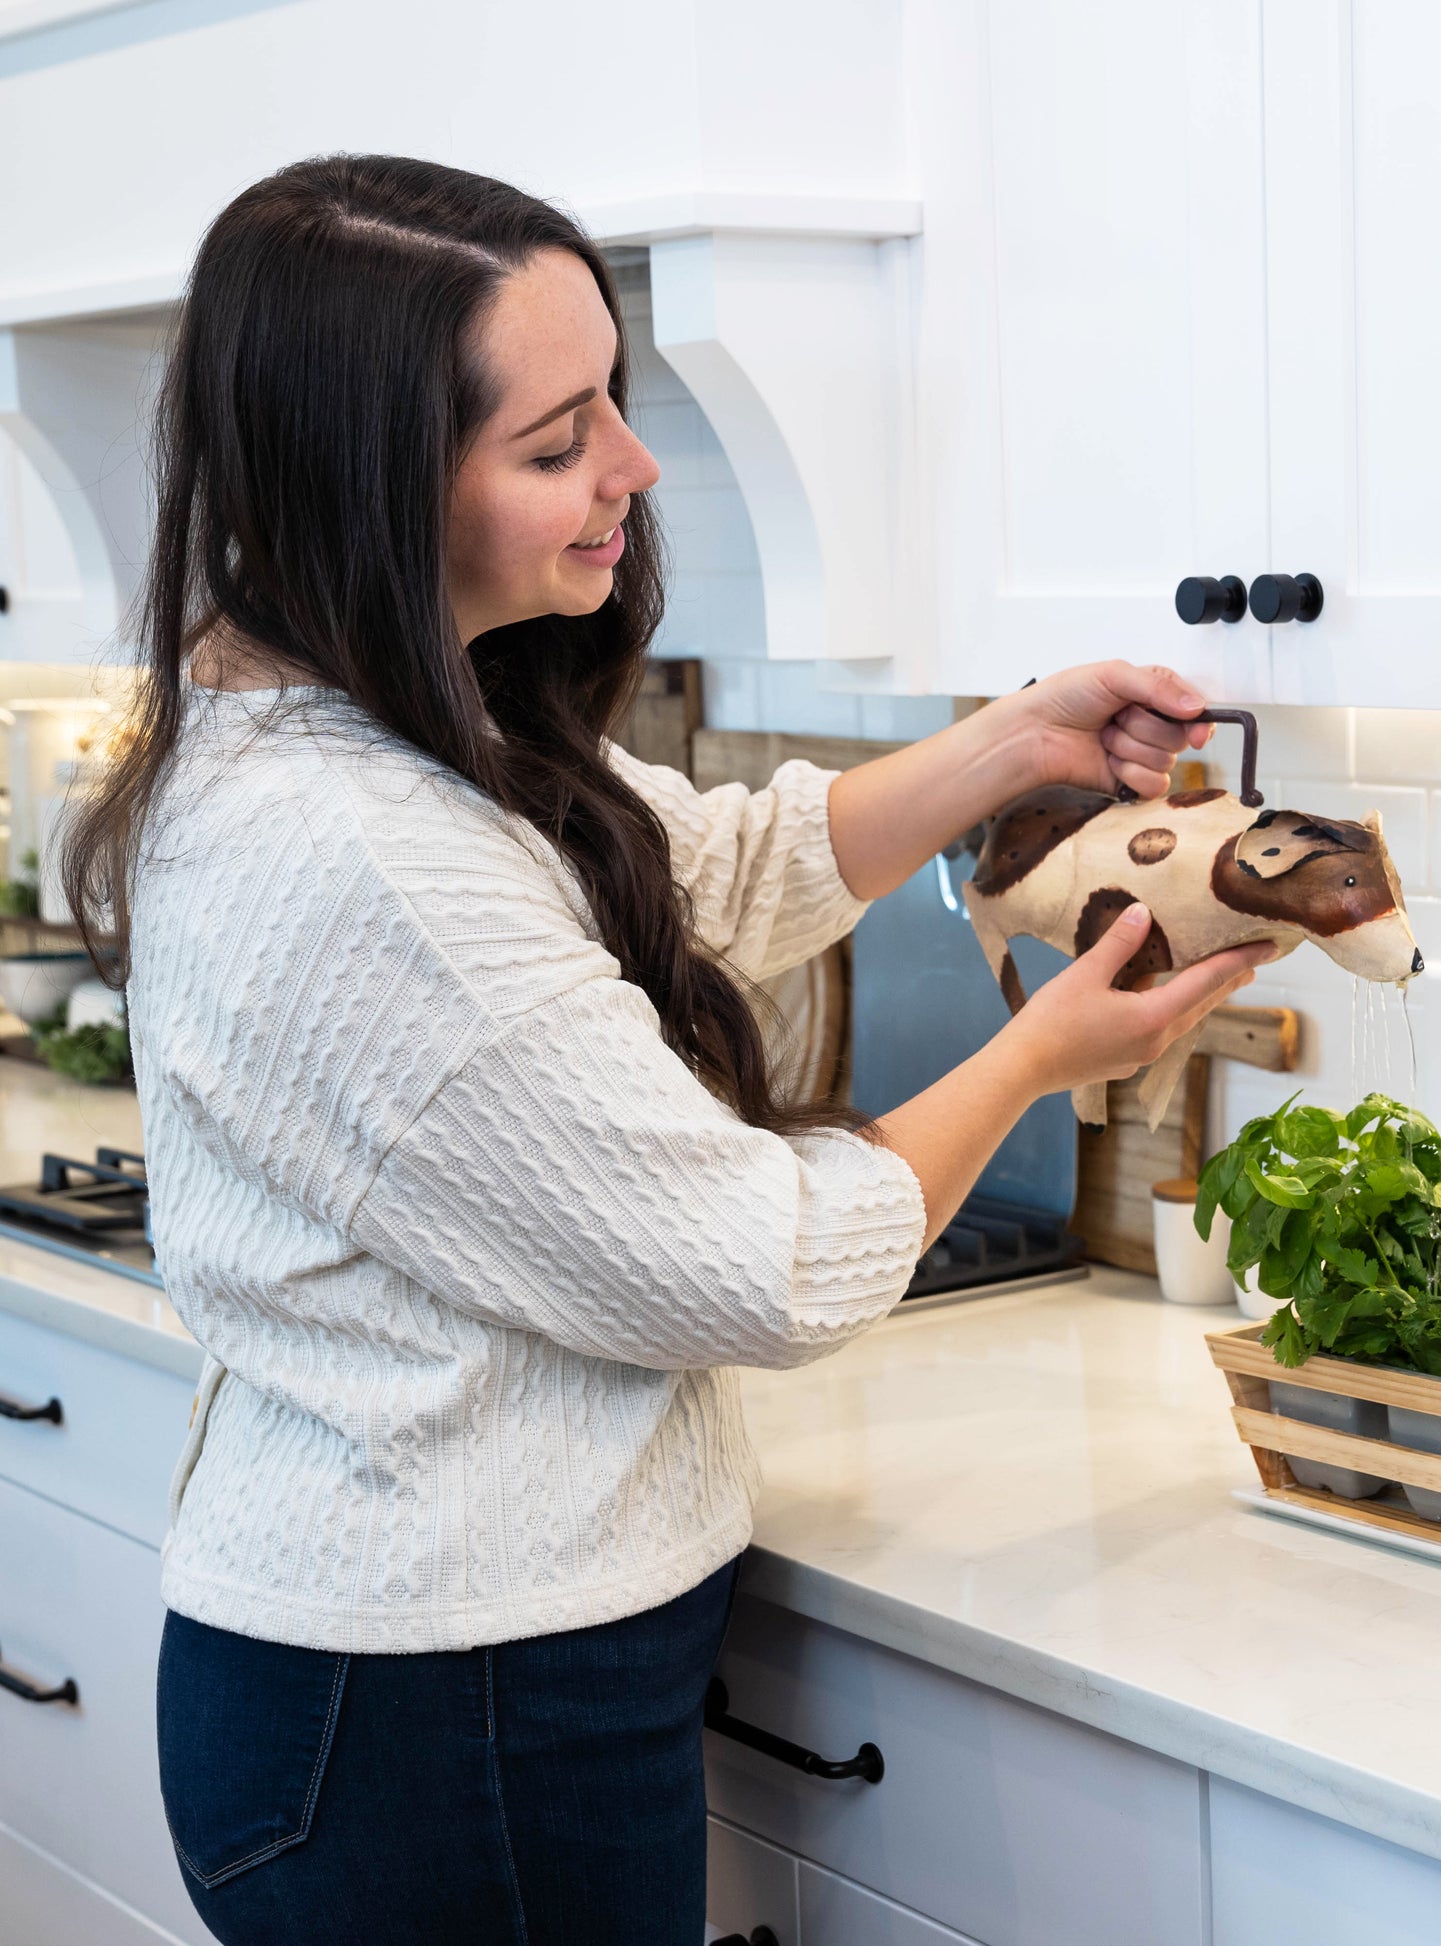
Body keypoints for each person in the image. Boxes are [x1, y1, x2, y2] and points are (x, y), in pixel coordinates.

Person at [66, 153, 1273, 1946]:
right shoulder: (359, 857)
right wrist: (1037, 1053)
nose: (630, 467)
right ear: (370, 490)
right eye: (555, 443)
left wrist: (1013, 741)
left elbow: (703, 869)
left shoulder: (372, 709)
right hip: (439, 1721)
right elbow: (763, 1260)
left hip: (423, 1685)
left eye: (614, 399)